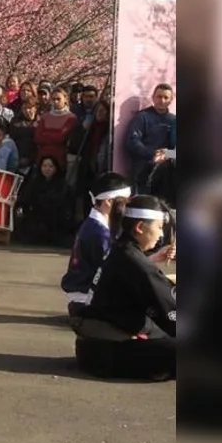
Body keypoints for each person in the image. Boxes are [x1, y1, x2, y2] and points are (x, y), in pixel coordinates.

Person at [74, 195, 176, 381]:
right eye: (159, 227)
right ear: (139, 227)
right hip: (109, 352)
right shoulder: (134, 262)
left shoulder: (121, 251)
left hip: (91, 347)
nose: (161, 235)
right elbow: (170, 309)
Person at [60, 173, 131, 319]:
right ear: (108, 202)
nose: (128, 206)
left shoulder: (96, 225)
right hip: (87, 299)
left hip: (82, 294)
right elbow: (114, 270)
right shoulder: (99, 233)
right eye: (125, 202)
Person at [124, 83, 176, 188]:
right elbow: (132, 142)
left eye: (166, 97)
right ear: (153, 98)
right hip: (143, 170)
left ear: (171, 100)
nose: (162, 100)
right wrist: (152, 154)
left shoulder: (174, 120)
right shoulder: (142, 117)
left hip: (168, 173)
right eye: (159, 96)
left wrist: (168, 154)